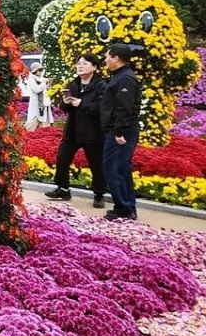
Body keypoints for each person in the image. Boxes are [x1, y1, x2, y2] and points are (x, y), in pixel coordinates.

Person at [44, 54, 108, 208]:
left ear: (94, 67)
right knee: (62, 159)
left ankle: (99, 194)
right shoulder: (73, 84)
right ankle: (63, 189)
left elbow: (101, 108)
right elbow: (65, 108)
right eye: (78, 63)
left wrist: (81, 103)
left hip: (92, 132)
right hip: (72, 130)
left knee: (96, 164)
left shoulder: (101, 86)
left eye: (84, 64)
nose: (80, 66)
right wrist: (65, 103)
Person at [101, 43, 142, 221]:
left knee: (113, 168)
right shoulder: (120, 76)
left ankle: (123, 208)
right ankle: (127, 207)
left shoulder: (125, 78)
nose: (105, 60)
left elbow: (125, 108)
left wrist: (118, 132)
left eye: (107, 56)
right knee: (122, 169)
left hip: (122, 131)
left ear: (116, 58)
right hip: (121, 129)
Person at [25, 63, 53, 131]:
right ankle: (27, 133)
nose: (40, 72)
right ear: (35, 71)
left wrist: (49, 83)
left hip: (44, 103)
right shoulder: (31, 79)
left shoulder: (41, 79)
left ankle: (43, 132)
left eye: (41, 70)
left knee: (44, 119)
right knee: (34, 119)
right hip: (36, 103)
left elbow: (45, 89)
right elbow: (36, 89)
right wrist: (44, 83)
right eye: (39, 70)